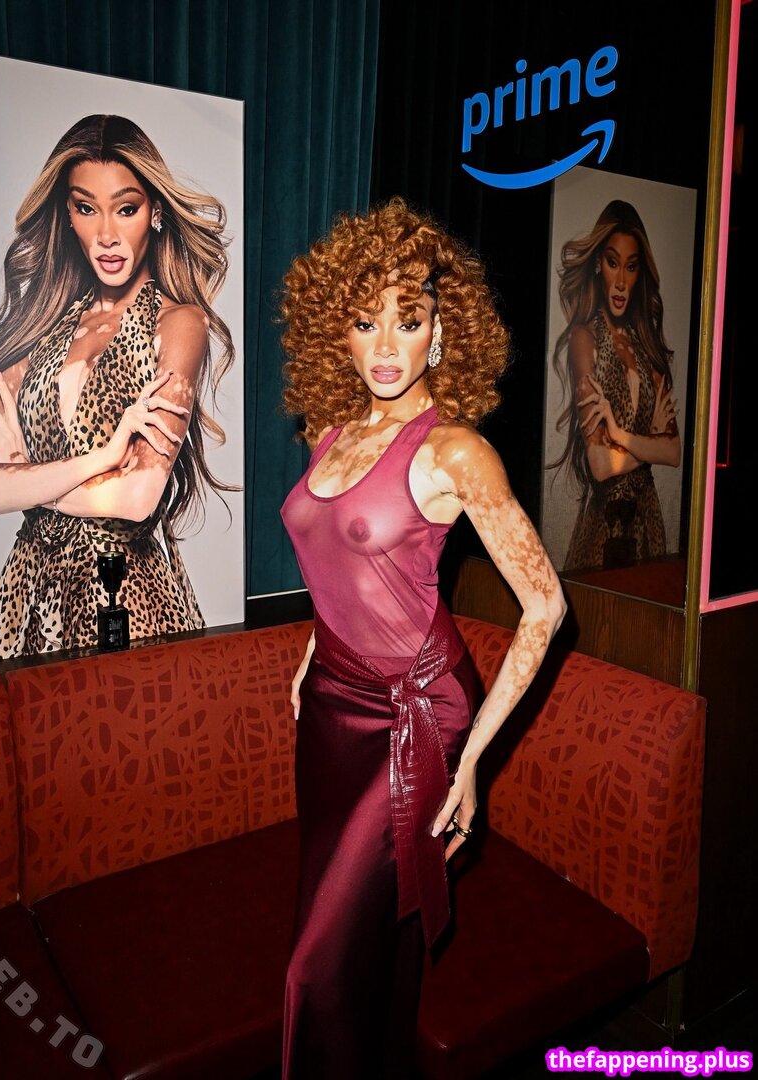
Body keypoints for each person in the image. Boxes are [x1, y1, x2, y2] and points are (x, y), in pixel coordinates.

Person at [279, 197, 567, 1078]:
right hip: (330, 709)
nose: (385, 345)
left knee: (311, 969)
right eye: (365, 321)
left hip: (416, 716)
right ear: (340, 331)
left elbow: (545, 607)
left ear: (441, 333)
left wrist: (473, 758)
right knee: (366, 928)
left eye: (408, 320)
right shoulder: (330, 433)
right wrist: (312, 652)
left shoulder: (453, 452)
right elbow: (336, 558)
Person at [0, 114, 234, 661]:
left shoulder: (178, 324)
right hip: (27, 597)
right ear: (67, 216)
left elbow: (135, 498)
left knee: (121, 719)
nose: (106, 235)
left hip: (122, 593)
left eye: (126, 208)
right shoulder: (41, 332)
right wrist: (101, 459)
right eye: (85, 208)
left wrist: (19, 475)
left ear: (155, 213)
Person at [549, 200, 681, 571]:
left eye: (631, 266)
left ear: (639, 274)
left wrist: (619, 435)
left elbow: (674, 452)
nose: (621, 280)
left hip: (648, 522)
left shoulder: (648, 348)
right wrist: (650, 446)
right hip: (605, 526)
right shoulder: (585, 339)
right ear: (597, 265)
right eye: (612, 263)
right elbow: (601, 465)